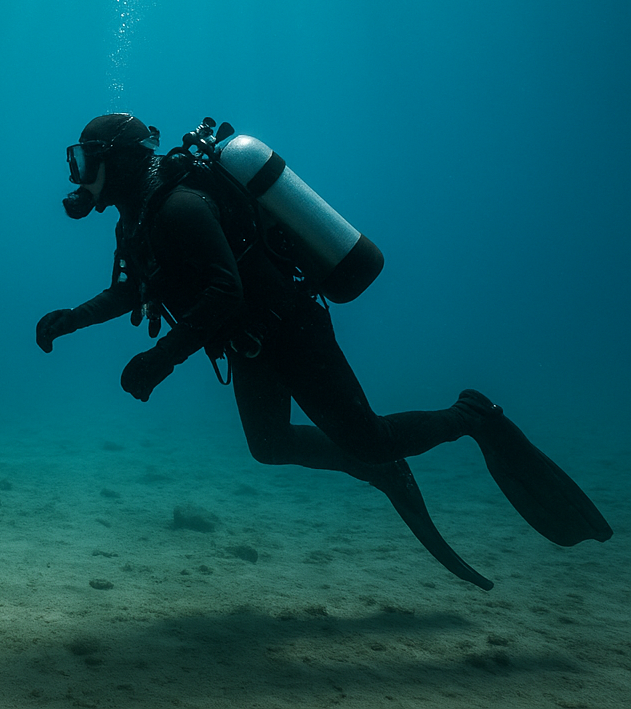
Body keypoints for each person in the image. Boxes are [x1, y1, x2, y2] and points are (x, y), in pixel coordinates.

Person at [36, 113, 612, 589]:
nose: (79, 176)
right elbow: (131, 288)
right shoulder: (135, 223)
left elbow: (224, 289)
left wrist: (161, 361)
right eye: (75, 162)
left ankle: (471, 417)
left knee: (369, 435)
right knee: (269, 444)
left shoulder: (182, 207)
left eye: (85, 161)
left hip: (291, 330)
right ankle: (375, 469)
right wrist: (70, 321)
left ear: (123, 159)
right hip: (251, 344)